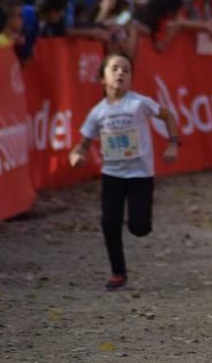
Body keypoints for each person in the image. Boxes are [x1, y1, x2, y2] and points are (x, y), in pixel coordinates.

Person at [68, 54, 181, 290]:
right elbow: (84, 143)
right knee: (109, 223)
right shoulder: (97, 112)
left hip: (140, 174)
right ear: (102, 78)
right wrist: (76, 155)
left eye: (126, 70)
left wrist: (173, 143)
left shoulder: (139, 103)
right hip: (112, 174)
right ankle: (118, 273)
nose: (121, 73)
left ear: (131, 78)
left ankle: (137, 219)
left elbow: (168, 115)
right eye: (115, 69)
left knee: (139, 228)